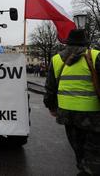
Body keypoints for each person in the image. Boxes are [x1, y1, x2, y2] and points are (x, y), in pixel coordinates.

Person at [44, 29, 100, 176]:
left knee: (78, 147)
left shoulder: (56, 59)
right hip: (93, 113)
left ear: (67, 42)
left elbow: (50, 87)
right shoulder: (95, 56)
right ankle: (88, 171)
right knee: (94, 150)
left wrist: (51, 106)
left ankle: (83, 168)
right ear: (86, 42)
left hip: (67, 113)